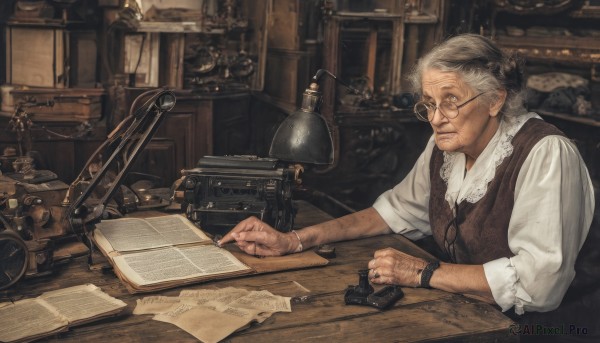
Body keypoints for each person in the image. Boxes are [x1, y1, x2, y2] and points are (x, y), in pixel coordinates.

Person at [219, 33, 596, 334]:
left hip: (539, 329)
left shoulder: (546, 154)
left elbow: (541, 284)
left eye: (451, 101)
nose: (436, 118)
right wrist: (296, 240)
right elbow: (393, 211)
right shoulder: (445, 145)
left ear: (496, 99)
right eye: (429, 103)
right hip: (467, 315)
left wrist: (422, 272)